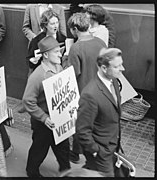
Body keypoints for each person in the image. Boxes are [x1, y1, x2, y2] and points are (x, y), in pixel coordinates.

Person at [22, 36, 70, 177]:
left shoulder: (58, 67)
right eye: (56, 52)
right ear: (46, 55)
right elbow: (27, 101)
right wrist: (43, 118)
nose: (60, 54)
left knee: (63, 147)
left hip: (58, 117)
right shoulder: (37, 76)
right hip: (43, 122)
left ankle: (66, 170)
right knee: (40, 148)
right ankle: (31, 171)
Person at [62, 12, 106, 164]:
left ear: (75, 29)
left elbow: (72, 73)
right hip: (101, 91)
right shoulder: (101, 43)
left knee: (81, 124)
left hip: (84, 92)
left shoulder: (76, 47)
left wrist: (65, 58)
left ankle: (75, 154)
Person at [76, 47, 124, 177]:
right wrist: (97, 151)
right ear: (103, 68)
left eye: (121, 64)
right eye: (117, 66)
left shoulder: (113, 80)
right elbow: (82, 130)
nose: (122, 69)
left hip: (112, 147)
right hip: (101, 154)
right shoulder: (90, 94)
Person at [27, 8, 66, 75]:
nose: (55, 26)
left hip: (59, 73)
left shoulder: (63, 39)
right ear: (45, 25)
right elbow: (29, 59)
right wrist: (33, 60)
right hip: (43, 74)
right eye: (52, 23)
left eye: (57, 23)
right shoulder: (36, 41)